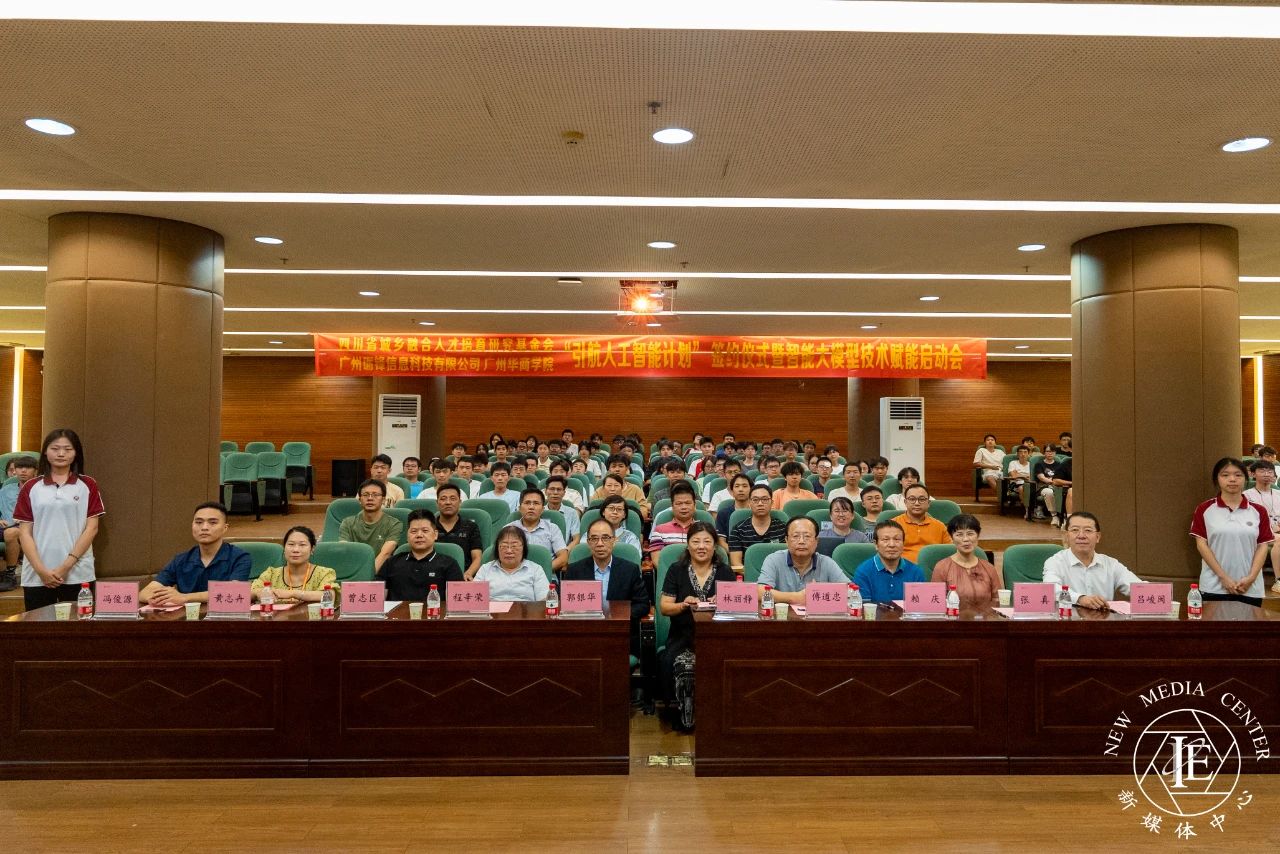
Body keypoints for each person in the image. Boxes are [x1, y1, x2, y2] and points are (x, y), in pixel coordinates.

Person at [14, 429, 105, 611]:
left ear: (76, 453)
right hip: (37, 574)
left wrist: (65, 566)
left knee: (78, 625)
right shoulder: (31, 487)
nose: (61, 453)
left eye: (67, 449)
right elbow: (24, 533)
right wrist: (41, 570)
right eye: (55, 448)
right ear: (45, 452)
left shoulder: (88, 484)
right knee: (38, 626)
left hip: (78, 572)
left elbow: (92, 529)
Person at [658, 520, 736, 731]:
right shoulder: (677, 570)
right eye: (696, 541)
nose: (701, 546)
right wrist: (683, 605)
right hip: (682, 637)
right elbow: (665, 607)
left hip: (717, 638)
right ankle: (687, 718)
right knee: (684, 665)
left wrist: (724, 602)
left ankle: (719, 717)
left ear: (715, 546)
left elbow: (736, 609)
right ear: (688, 545)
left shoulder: (725, 571)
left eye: (707, 541)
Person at [1190, 457, 1272, 606]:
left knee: (1250, 622)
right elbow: (1201, 545)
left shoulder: (1259, 510)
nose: (1232, 479)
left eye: (1238, 475)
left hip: (1250, 587)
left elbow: (1263, 546)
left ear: (1246, 478)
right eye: (1225, 475)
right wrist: (1223, 578)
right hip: (1214, 586)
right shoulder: (1204, 509)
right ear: (1217, 478)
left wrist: (1251, 577)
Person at [563, 518, 649, 655]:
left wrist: (616, 615)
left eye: (605, 538)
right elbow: (566, 606)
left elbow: (642, 604)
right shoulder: (575, 570)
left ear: (614, 540)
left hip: (619, 636)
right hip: (585, 636)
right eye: (594, 539)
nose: (600, 544)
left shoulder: (629, 570)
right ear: (588, 542)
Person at [139, 502, 249, 606]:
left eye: (212, 522)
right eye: (199, 522)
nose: (204, 527)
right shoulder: (181, 560)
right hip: (186, 618)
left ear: (225, 528)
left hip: (223, 617)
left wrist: (184, 597)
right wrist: (156, 598)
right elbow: (144, 593)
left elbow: (234, 592)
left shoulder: (240, 557)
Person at [1044, 511, 1145, 609]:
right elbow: (1051, 590)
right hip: (1068, 618)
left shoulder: (1111, 564)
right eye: (1075, 530)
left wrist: (1151, 592)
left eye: (1088, 530)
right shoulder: (1055, 562)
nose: (1081, 536)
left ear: (1098, 537)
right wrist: (1080, 599)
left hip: (1103, 619)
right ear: (1066, 536)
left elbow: (1137, 586)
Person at [757, 516, 848, 604]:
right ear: (786, 540)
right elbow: (760, 592)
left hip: (816, 614)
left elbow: (850, 592)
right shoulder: (773, 560)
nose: (801, 541)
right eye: (795, 536)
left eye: (807, 536)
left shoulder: (827, 563)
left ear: (816, 541)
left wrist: (820, 592)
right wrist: (796, 597)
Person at [377, 509, 464, 601]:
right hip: (397, 611)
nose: (419, 535)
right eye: (414, 531)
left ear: (435, 535)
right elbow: (376, 598)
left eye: (425, 531)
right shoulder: (392, 563)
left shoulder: (449, 564)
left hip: (434, 610)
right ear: (407, 535)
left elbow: (457, 602)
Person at [930, 514, 1002, 609]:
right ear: (952, 538)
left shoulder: (989, 568)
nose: (966, 539)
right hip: (952, 617)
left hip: (985, 617)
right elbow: (936, 603)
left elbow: (998, 601)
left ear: (978, 536)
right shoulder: (942, 567)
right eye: (959, 534)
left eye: (970, 534)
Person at [251, 525, 338, 603]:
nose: (295, 550)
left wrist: (293, 593)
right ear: (284, 548)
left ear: (312, 549)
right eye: (291, 544)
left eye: (302, 545)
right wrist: (258, 593)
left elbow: (330, 596)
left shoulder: (324, 573)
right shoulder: (271, 574)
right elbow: (248, 594)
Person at [852, 520, 925, 603]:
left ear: (903, 544)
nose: (892, 545)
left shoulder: (916, 572)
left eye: (897, 539)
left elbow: (919, 606)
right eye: (885, 539)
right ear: (876, 544)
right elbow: (864, 607)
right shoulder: (863, 572)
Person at [338, 479, 402, 572]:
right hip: (353, 572)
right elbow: (345, 550)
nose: (370, 498)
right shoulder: (347, 523)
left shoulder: (394, 524)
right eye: (365, 495)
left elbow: (385, 553)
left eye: (376, 495)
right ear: (360, 500)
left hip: (380, 573)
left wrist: (366, 575)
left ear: (383, 500)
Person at [475, 526, 550, 602]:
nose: (509, 551)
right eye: (504, 546)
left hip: (525, 609)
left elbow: (544, 600)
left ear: (523, 548)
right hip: (493, 609)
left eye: (514, 546)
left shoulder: (535, 570)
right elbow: (474, 599)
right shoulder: (485, 569)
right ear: (497, 549)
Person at [504, 488, 569, 570]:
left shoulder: (552, 529)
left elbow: (563, 558)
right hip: (515, 574)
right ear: (520, 508)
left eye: (536, 503)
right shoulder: (508, 529)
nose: (531, 507)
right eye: (527, 503)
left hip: (546, 573)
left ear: (542, 509)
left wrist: (541, 572)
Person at [0, 454, 39, 591]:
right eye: (20, 467)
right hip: (5, 525)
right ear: (15, 470)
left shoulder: (40, 490)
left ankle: (10, 575)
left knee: (10, 533)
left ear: (35, 471)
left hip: (30, 527)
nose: (23, 470)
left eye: (28, 467)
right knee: (9, 531)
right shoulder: (6, 490)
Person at [727, 484, 788, 567]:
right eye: (755, 500)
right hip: (748, 574)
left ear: (772, 503)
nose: (760, 503)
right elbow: (736, 563)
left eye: (765, 499)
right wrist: (752, 573)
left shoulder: (783, 528)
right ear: (749, 503)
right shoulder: (738, 530)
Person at [432, 483, 483, 579]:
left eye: (453, 498)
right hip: (433, 576)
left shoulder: (471, 527)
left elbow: (477, 557)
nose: (448, 502)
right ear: (437, 503)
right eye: (443, 499)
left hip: (462, 576)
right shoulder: (429, 527)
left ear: (460, 502)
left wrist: (468, 573)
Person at [1244, 459, 1280, 592]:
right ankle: (1278, 581)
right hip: (1259, 533)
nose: (1266, 474)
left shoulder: (1278, 494)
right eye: (1262, 471)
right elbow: (1246, 520)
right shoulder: (1246, 495)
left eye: (1270, 471)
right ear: (1253, 474)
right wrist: (1270, 529)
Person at [890, 484, 951, 562]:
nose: (917, 503)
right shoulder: (893, 525)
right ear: (905, 502)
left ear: (928, 503)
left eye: (922, 499)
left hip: (932, 568)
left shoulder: (940, 526)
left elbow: (950, 552)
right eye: (912, 499)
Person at [648, 481, 699, 560]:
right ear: (672, 506)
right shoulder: (659, 531)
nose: (684, 507)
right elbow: (658, 561)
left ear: (695, 505)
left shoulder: (704, 530)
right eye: (679, 503)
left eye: (688, 503)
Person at [590, 454, 651, 519]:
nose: (617, 469)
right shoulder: (600, 490)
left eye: (621, 466)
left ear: (627, 468)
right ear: (609, 469)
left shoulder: (635, 489)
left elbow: (644, 513)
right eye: (613, 466)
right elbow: (592, 513)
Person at [714, 473, 753, 551]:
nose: (741, 489)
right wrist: (735, 554)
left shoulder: (758, 512)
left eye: (745, 486)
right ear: (732, 491)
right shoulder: (723, 514)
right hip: (731, 553)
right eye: (737, 486)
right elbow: (721, 542)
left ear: (751, 490)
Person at [1031, 444, 1067, 524]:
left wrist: (1056, 482)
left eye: (1052, 451)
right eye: (1048, 451)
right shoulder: (1039, 464)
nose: (1050, 453)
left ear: (1055, 453)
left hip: (1057, 486)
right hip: (1043, 487)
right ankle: (1054, 516)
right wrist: (1053, 481)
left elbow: (1062, 477)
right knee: (1049, 492)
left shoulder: (1059, 465)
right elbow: (1041, 478)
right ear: (1044, 453)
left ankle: (1064, 516)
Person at [543, 476, 581, 548]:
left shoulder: (572, 513)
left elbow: (576, 539)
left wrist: (566, 551)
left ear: (564, 493)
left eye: (559, 489)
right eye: (552, 489)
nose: (555, 492)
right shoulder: (540, 512)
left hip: (565, 550)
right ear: (545, 491)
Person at [1006, 444, 1032, 510]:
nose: (1023, 454)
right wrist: (1025, 475)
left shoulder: (1031, 464)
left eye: (1025, 452)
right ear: (1017, 454)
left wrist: (1019, 474)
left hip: (1029, 484)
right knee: (1021, 488)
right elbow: (1013, 476)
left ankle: (1032, 507)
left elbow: (1031, 477)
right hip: (1015, 484)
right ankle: (1026, 509)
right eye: (1020, 452)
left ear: (1029, 454)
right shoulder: (1013, 463)